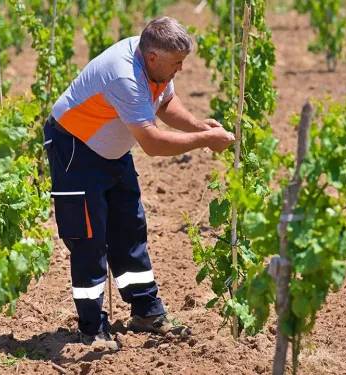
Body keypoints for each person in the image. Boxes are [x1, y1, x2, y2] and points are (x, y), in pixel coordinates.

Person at [43, 16, 235, 350]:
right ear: (152, 58)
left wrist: (197, 127)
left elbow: (165, 102)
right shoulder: (124, 76)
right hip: (75, 147)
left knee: (129, 227)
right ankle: (92, 329)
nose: (180, 69)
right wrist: (205, 142)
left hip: (111, 149)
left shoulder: (153, 60)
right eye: (177, 63)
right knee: (88, 240)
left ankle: (146, 312)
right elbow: (154, 144)